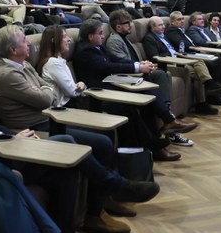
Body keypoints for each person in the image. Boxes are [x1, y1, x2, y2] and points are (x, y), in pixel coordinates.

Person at [0, 38, 160, 233]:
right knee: (67, 144)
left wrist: (13, 136)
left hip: (8, 144)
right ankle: (116, 186)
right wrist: (11, 143)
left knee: (68, 163)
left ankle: (90, 209)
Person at [0, 25, 142, 232]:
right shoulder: (8, 74)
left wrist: (44, 89)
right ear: (13, 49)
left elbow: (47, 90)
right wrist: (45, 90)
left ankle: (103, 203)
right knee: (101, 143)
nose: (29, 43)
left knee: (105, 136)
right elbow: (47, 98)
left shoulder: (23, 65)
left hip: (49, 118)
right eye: (24, 40)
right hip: (35, 128)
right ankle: (103, 202)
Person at [73, 19, 182, 161]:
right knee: (128, 105)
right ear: (90, 36)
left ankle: (158, 138)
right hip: (97, 95)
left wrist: (138, 64)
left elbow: (115, 60)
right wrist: (137, 68)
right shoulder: (86, 50)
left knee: (146, 98)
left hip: (111, 85)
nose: (103, 36)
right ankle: (151, 141)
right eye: (100, 33)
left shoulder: (97, 46)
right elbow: (108, 67)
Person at [104, 9, 197, 146]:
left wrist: (144, 63)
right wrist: (141, 66)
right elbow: (121, 62)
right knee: (152, 88)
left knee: (160, 74)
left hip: (136, 72)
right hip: (127, 77)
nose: (131, 25)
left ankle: (168, 119)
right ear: (118, 27)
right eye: (127, 23)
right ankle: (168, 121)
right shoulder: (114, 40)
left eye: (131, 22)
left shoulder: (125, 38)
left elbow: (131, 60)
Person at [142, 16, 221, 115]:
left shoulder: (162, 36)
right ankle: (206, 93)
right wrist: (171, 54)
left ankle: (206, 90)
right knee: (198, 72)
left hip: (178, 59)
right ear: (152, 27)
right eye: (160, 25)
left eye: (163, 24)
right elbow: (154, 56)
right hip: (167, 64)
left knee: (198, 62)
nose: (163, 27)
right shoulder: (149, 38)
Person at [165, 11, 221, 104]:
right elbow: (183, 44)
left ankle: (217, 92)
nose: (182, 21)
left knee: (218, 60)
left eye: (183, 19)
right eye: (179, 19)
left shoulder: (181, 30)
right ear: (172, 21)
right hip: (183, 56)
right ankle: (213, 93)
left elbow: (188, 43)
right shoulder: (172, 30)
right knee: (210, 64)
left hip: (191, 53)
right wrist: (197, 50)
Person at [39, 25, 86, 108]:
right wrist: (82, 86)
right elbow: (72, 92)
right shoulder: (53, 63)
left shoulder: (59, 61)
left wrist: (81, 85)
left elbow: (73, 88)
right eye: (64, 36)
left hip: (71, 103)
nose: (69, 40)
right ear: (54, 41)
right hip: (64, 108)